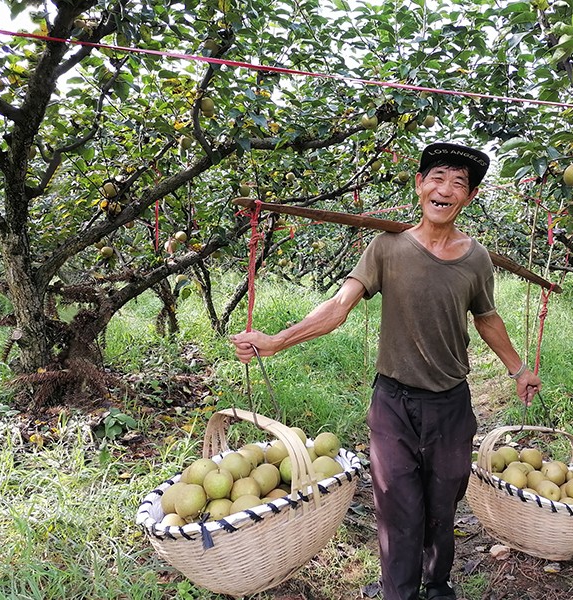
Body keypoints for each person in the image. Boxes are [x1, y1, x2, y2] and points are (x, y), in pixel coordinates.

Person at [230, 141, 542, 600]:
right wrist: (277, 341)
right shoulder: (387, 247)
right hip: (393, 401)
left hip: (451, 402)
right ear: (419, 186)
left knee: (443, 502)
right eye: (437, 178)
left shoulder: (476, 258)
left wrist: (518, 369)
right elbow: (339, 306)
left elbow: (486, 318)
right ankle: (400, 591)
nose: (446, 189)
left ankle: (437, 584)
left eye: (459, 184)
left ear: (469, 198)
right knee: (398, 507)